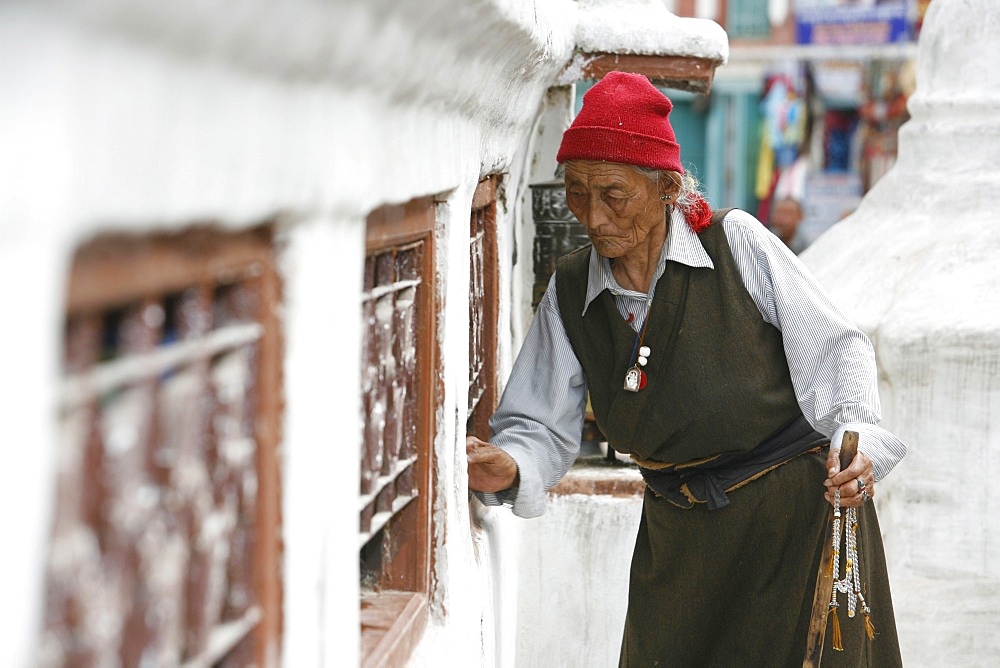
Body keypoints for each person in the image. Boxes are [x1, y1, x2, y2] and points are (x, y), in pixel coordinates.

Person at [467, 71, 906, 666]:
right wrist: (512, 464)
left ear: (666, 188)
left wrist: (857, 439)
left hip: (790, 527)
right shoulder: (572, 289)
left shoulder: (736, 244)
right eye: (577, 192)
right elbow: (541, 423)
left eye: (613, 195)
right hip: (678, 545)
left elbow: (836, 346)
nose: (592, 217)